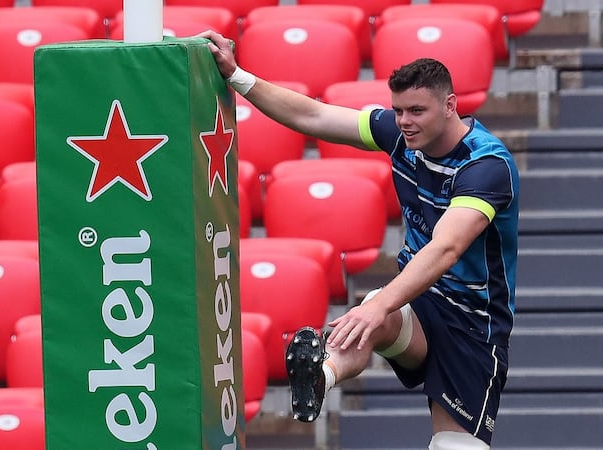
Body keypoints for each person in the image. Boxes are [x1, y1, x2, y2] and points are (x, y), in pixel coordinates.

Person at [199, 30, 519, 450]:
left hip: (474, 322)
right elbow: (313, 117)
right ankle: (321, 376)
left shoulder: (486, 165)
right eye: (399, 110)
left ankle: (366, 327)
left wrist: (381, 303)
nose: (405, 121)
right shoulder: (399, 134)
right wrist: (238, 76)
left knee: (452, 445)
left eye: (417, 111)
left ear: (450, 105)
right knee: (370, 316)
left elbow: (446, 248)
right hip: (421, 300)